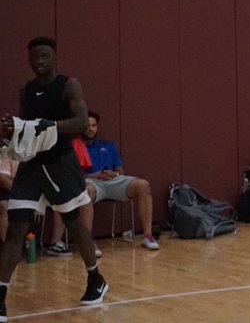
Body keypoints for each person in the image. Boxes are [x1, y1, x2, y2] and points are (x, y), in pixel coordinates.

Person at [0, 38, 109, 319]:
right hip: (32, 166)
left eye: (44, 56)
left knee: (75, 226)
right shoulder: (27, 90)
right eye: (35, 57)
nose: (39, 62)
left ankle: (95, 279)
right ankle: (0, 296)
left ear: (54, 57)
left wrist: (49, 126)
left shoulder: (68, 85)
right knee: (15, 230)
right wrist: (12, 129)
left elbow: (82, 122)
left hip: (61, 164)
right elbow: (27, 127)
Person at [45, 112, 160, 254]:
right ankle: (87, 242)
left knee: (143, 185)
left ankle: (148, 235)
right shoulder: (73, 147)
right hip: (90, 182)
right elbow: (70, 175)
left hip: (112, 182)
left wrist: (114, 174)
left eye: (94, 125)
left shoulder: (109, 146)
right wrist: (94, 175)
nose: (91, 129)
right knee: (87, 191)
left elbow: (120, 172)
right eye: (87, 126)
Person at [0, 158, 16, 245]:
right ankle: (5, 245)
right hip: (10, 190)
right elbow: (3, 180)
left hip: (30, 189)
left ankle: (55, 243)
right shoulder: (6, 151)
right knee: (3, 205)